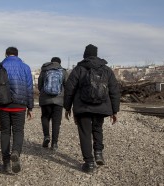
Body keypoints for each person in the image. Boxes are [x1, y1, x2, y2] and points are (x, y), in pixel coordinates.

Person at [63, 44, 120, 173]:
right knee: (98, 128)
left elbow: (69, 89)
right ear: (96, 54)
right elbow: (114, 90)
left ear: (85, 55)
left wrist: (67, 107)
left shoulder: (79, 69)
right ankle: (98, 153)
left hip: (83, 106)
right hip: (101, 106)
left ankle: (89, 163)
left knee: (85, 133)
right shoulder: (106, 69)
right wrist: (114, 111)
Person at [0, 47, 34, 174]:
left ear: (5, 54)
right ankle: (15, 152)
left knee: (4, 132)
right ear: (17, 55)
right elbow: (29, 88)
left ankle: (5, 163)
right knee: (18, 131)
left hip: (2, 105)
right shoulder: (25, 67)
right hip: (19, 105)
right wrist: (30, 107)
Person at [38, 57, 68, 150]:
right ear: (60, 63)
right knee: (56, 121)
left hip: (45, 99)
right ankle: (54, 143)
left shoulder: (45, 70)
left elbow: (40, 85)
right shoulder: (63, 71)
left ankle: (46, 136)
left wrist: (43, 93)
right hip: (58, 100)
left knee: (45, 117)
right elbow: (67, 86)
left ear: (51, 62)